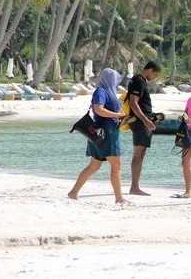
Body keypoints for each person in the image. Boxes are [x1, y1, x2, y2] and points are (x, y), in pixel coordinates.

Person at [68, 68, 127, 203]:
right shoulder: (101, 91)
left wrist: (118, 114)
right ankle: (119, 198)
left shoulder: (108, 92)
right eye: (115, 79)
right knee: (116, 165)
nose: (116, 81)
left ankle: (73, 192)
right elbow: (99, 109)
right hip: (106, 133)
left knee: (94, 166)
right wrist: (117, 115)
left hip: (99, 133)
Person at [127, 61, 161, 196]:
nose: (155, 77)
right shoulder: (139, 81)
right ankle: (134, 187)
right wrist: (145, 120)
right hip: (141, 122)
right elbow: (133, 103)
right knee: (139, 153)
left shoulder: (137, 80)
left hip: (141, 121)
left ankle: (135, 186)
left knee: (140, 153)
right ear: (150, 70)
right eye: (155, 74)